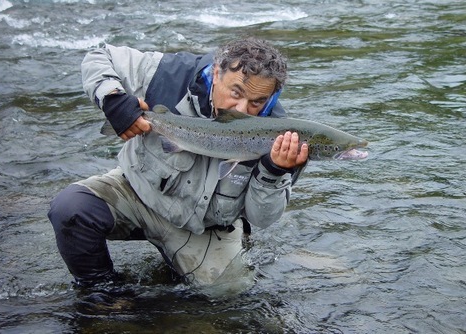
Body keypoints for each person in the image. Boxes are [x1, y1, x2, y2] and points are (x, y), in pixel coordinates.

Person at [48, 37, 309, 292]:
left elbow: (262, 218)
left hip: (204, 228)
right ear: (217, 73)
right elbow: (99, 56)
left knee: (227, 293)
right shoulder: (169, 75)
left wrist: (273, 171)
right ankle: (101, 292)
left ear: (272, 96)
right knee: (71, 208)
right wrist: (113, 99)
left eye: (257, 102)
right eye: (235, 92)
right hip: (139, 195)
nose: (242, 109)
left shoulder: (283, 138)